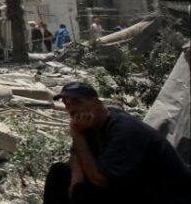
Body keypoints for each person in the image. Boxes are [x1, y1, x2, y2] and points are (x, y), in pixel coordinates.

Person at [43, 82, 191, 203]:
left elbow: (101, 179)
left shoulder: (125, 129)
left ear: (96, 103)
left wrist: (77, 134)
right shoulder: (88, 125)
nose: (72, 109)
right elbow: (75, 160)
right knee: (60, 173)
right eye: (67, 104)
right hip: (129, 187)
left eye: (77, 102)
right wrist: (76, 188)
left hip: (165, 195)